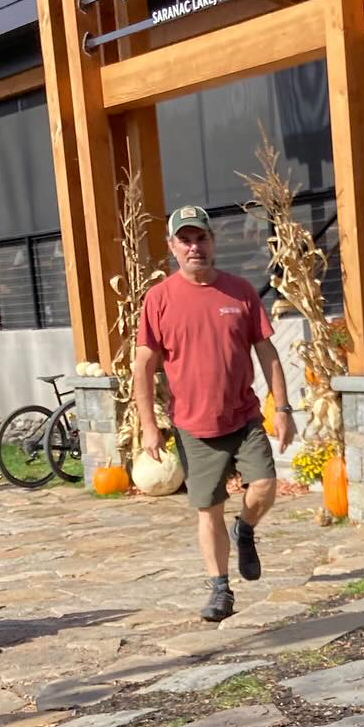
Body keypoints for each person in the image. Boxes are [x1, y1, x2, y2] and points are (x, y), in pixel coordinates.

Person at [134, 205, 296, 623]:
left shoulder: (240, 291)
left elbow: (268, 354)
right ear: (172, 247)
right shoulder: (159, 299)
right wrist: (149, 427)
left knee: (264, 486)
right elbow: (143, 367)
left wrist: (283, 408)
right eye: (185, 240)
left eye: (201, 238)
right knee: (208, 510)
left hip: (243, 418)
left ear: (212, 241)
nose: (194, 247)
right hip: (192, 426)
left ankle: (246, 528)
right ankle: (221, 590)